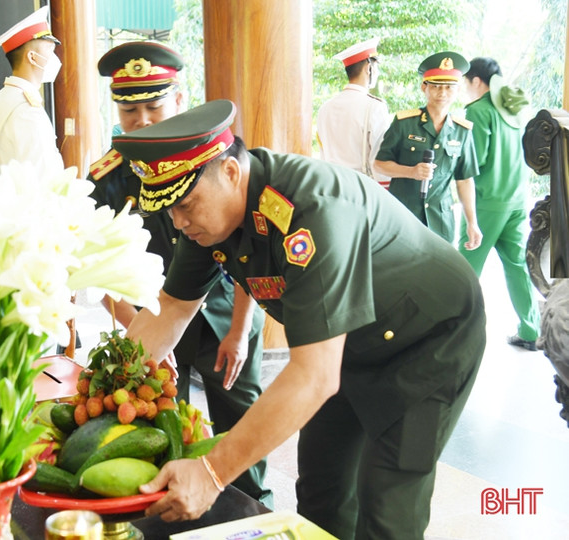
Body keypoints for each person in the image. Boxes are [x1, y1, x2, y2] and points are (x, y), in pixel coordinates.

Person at [111, 100, 486, 540]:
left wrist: (211, 473)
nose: (179, 221)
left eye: (187, 205)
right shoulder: (206, 218)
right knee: (322, 493)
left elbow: (314, 376)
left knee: (388, 506)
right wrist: (104, 388)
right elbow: (172, 308)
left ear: (230, 173)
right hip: (344, 345)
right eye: (170, 209)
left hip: (426, 340)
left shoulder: (312, 208)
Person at [87, 42, 272, 507]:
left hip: (227, 311)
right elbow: (99, 271)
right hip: (155, 315)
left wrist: (241, 328)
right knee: (168, 427)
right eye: (130, 111)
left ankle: (255, 511)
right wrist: (142, 336)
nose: (144, 120)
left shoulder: (214, 156)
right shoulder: (107, 178)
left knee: (241, 418)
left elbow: (250, 245)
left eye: (154, 105)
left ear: (179, 98)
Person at [462, 57, 540, 351]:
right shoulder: (515, 109)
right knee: (518, 265)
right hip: (518, 200)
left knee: (465, 269)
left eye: (465, 82)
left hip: (486, 205)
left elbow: (474, 162)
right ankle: (531, 331)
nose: (464, 89)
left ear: (477, 82)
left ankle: (454, 330)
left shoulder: (478, 112)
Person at [374, 51, 483, 250]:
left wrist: (472, 223)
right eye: (436, 86)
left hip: (440, 220)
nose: (442, 93)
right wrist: (411, 172)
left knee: (438, 277)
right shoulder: (404, 124)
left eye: (449, 87)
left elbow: (465, 180)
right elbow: (380, 164)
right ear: (424, 87)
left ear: (457, 90)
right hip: (403, 215)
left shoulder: (462, 131)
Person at [0, 5, 64, 175]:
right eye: (50, 50)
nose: (54, 57)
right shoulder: (27, 109)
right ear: (32, 57)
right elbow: (42, 174)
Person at [316, 37, 391, 188]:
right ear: (369, 68)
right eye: (376, 67)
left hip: (332, 187)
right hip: (362, 189)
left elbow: (323, 155)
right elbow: (379, 159)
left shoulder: (325, 108)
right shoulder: (374, 107)